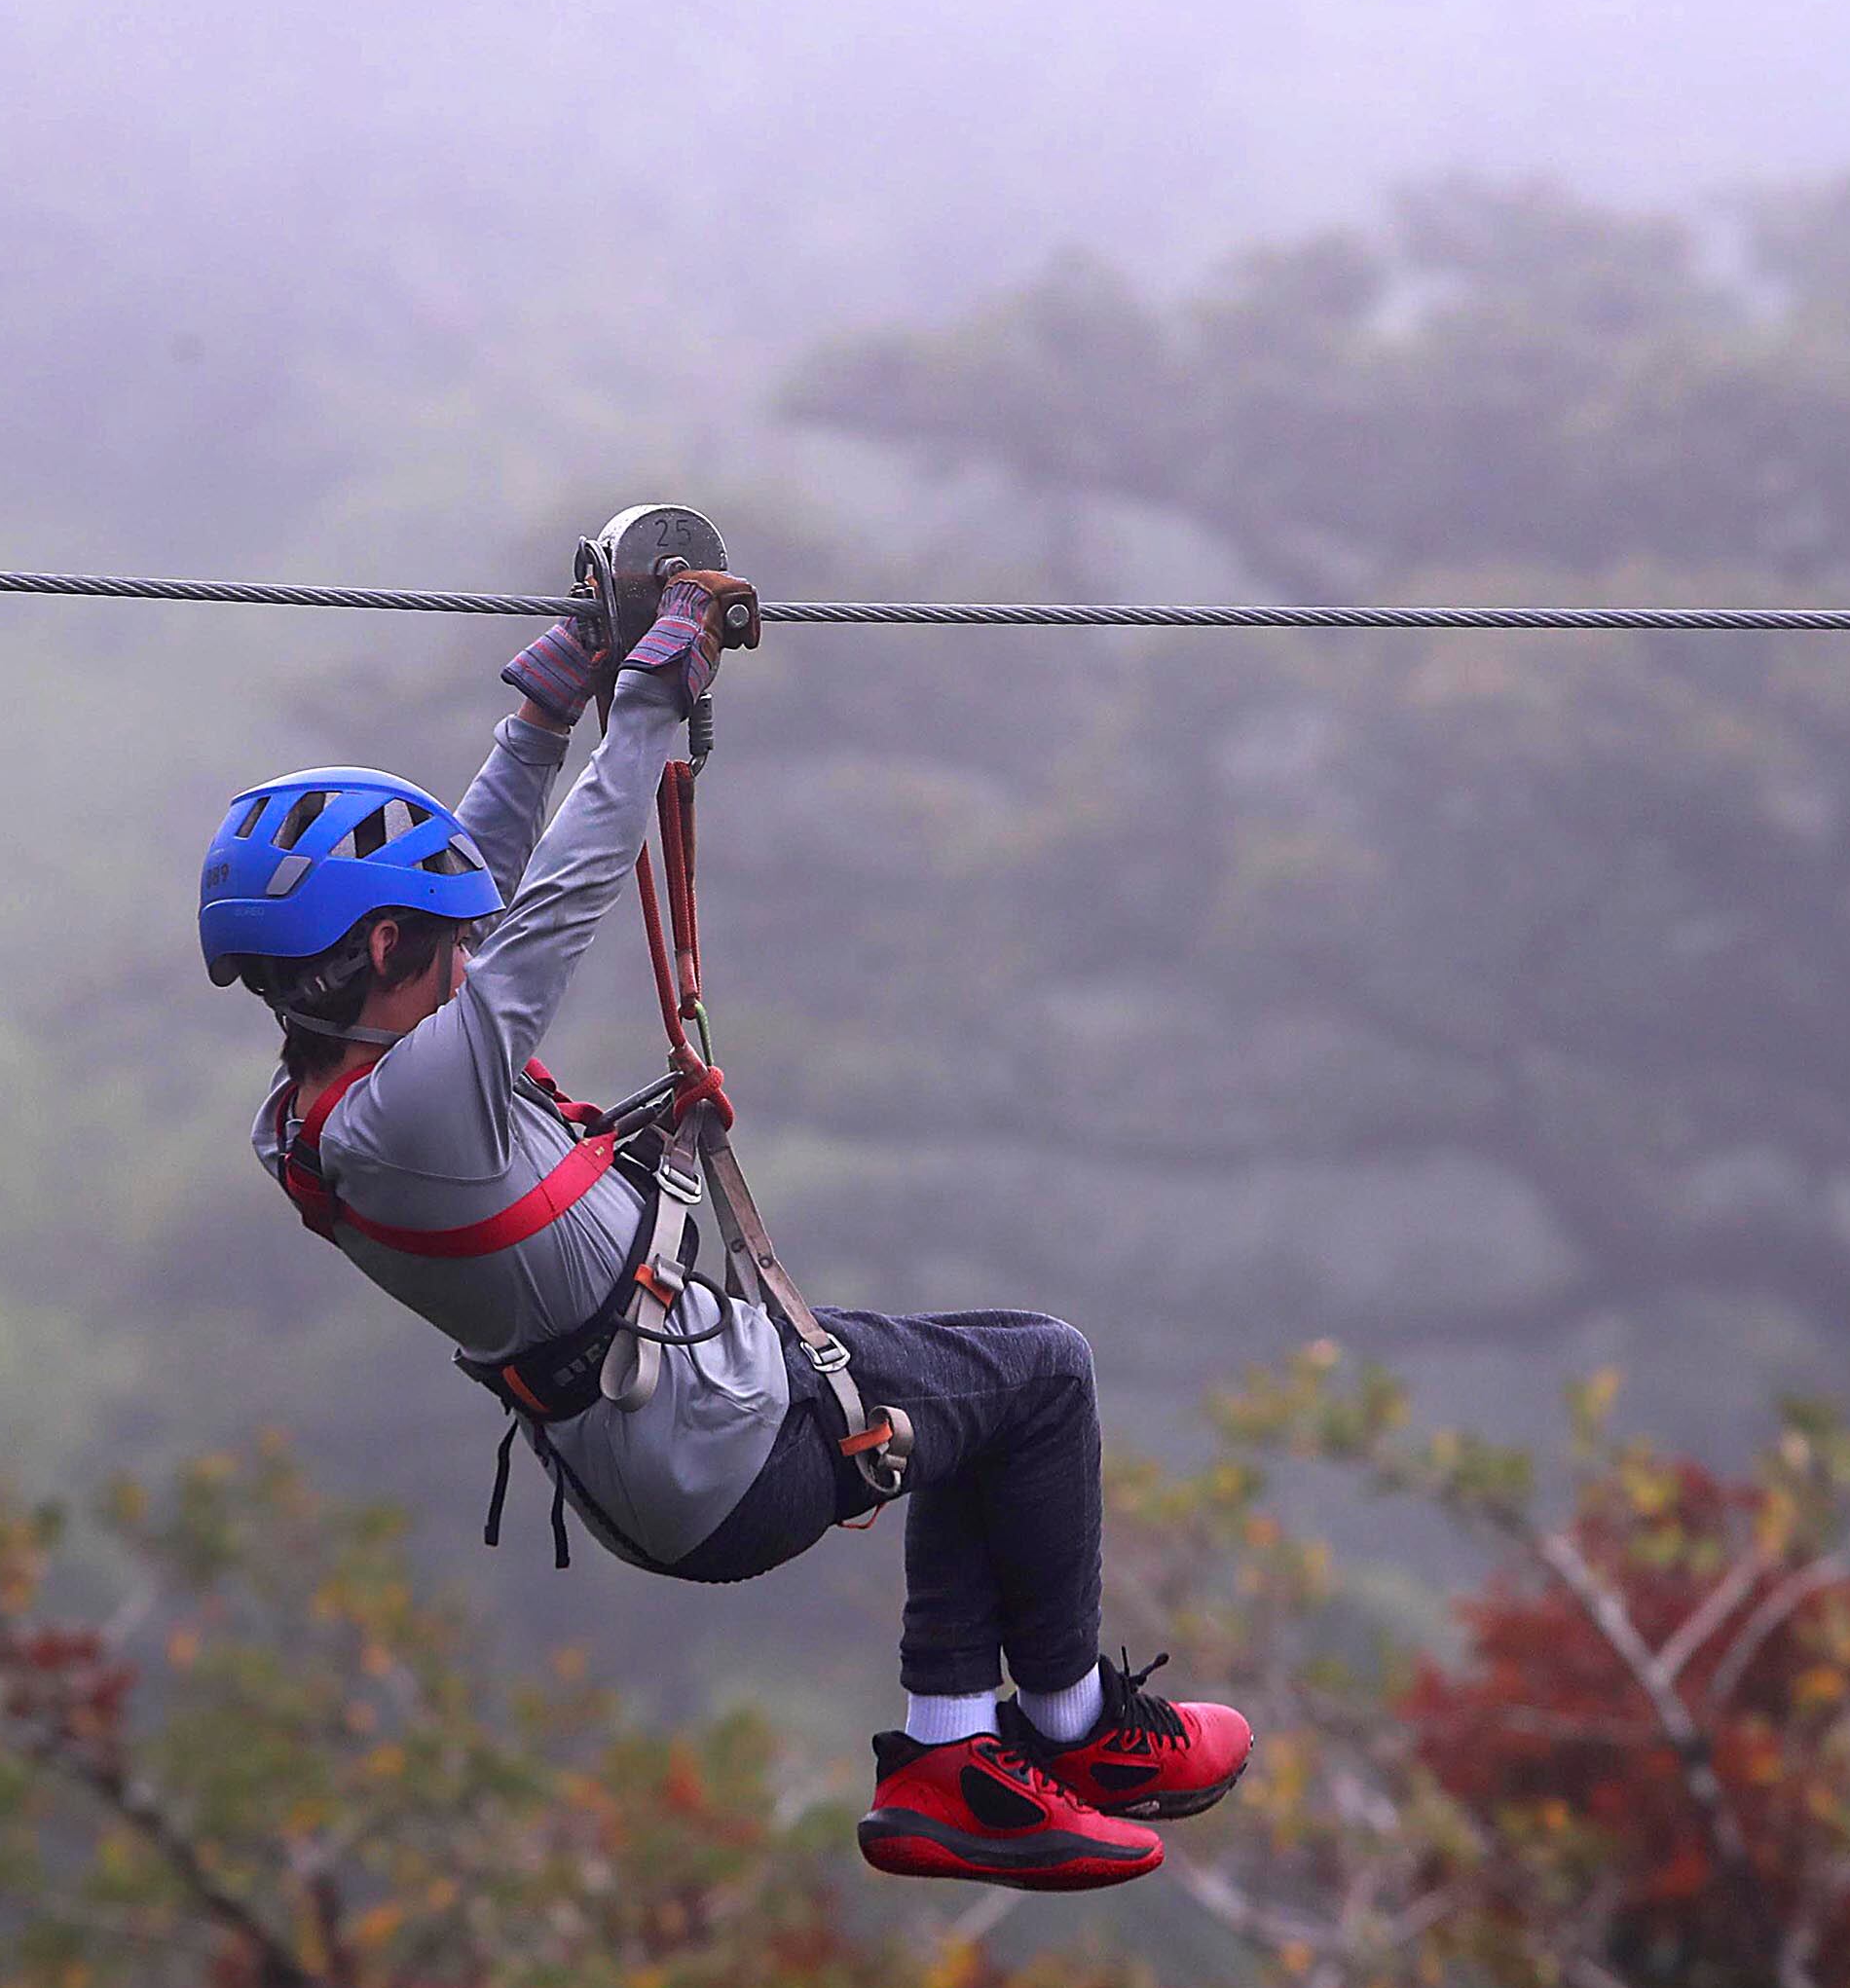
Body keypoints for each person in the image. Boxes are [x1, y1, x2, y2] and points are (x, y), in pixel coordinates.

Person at [198, 568, 1249, 1891]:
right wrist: (643, 706)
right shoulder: (415, 1111)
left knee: (984, 1397)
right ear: (392, 943)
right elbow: (560, 898)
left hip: (677, 1438)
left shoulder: (307, 1114)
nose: (468, 949)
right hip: (727, 1449)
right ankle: (1061, 1733)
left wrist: (545, 710)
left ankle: (962, 1751)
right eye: (436, 938)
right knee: (1045, 1376)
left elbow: (476, 885)